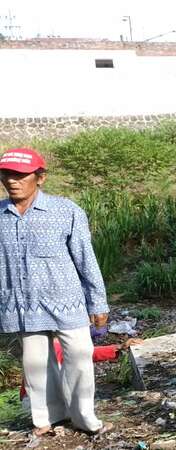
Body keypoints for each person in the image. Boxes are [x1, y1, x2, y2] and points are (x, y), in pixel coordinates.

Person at [0, 148, 112, 436]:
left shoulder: (66, 211)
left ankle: (84, 417)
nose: (12, 181)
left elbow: (86, 258)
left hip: (67, 302)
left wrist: (97, 302)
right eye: (7, 174)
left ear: (40, 178)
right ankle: (46, 418)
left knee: (80, 355)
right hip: (23, 304)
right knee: (36, 363)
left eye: (20, 175)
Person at [21, 337, 144, 402]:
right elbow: (89, 353)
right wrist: (120, 347)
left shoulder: (37, 347)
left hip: (30, 400)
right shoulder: (57, 346)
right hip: (43, 403)